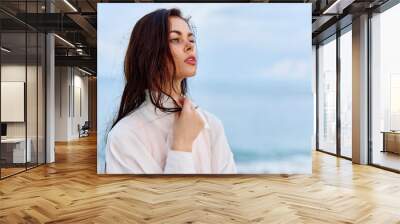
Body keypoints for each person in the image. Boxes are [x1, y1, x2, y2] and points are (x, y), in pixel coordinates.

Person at [105, 8, 236, 174]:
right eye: (175, 39)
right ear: (150, 52)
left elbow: (228, 196)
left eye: (191, 39)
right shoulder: (124, 135)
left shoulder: (211, 125)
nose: (190, 46)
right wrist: (181, 146)